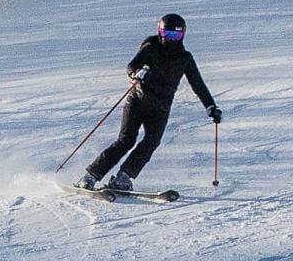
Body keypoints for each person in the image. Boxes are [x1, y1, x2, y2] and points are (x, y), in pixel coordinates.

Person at [79, 13, 221, 193]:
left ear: (183, 35)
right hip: (138, 101)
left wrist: (211, 106)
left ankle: (124, 177)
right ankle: (90, 176)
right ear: (160, 32)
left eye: (175, 36)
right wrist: (136, 73)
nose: (171, 40)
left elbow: (198, 84)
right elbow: (131, 66)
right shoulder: (151, 46)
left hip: (161, 107)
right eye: (167, 35)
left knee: (152, 141)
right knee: (126, 140)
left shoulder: (185, 58)